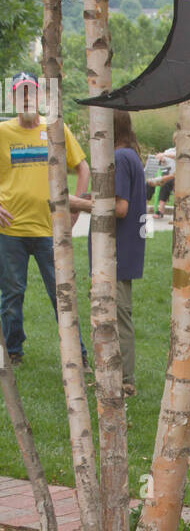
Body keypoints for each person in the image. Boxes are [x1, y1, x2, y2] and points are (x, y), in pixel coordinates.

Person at [0, 71, 89, 367]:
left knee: (61, 294)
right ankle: (13, 351)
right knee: (12, 295)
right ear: (12, 98)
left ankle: (77, 353)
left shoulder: (55, 129)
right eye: (20, 93)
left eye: (31, 92)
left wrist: (76, 204)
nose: (26, 98)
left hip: (50, 230)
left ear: (40, 97)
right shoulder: (2, 132)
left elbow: (82, 167)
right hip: (10, 231)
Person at [71, 110, 147, 396]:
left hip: (117, 254)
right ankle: (110, 374)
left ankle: (125, 380)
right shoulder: (127, 156)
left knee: (117, 317)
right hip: (116, 253)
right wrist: (89, 198)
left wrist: (78, 203)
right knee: (109, 315)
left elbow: (120, 208)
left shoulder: (121, 158)